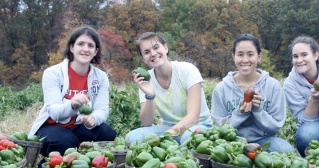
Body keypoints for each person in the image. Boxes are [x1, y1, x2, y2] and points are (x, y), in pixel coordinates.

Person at [29, 25, 116, 157]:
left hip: (77, 126)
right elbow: (54, 113)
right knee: (66, 141)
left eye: (90, 46)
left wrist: (94, 118)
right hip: (51, 126)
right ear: (72, 47)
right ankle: (48, 162)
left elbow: (102, 110)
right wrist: (72, 104)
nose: (85, 49)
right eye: (80, 44)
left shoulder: (101, 77)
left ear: (96, 51)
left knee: (107, 133)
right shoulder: (53, 73)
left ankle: (87, 160)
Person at [211, 33, 294, 153]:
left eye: (250, 54)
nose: (245, 60)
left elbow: (276, 126)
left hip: (264, 139)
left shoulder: (273, 86)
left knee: (286, 150)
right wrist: (240, 113)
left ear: (259, 56)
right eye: (240, 54)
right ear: (233, 56)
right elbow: (219, 127)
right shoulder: (221, 89)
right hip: (231, 141)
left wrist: (258, 110)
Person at [125, 32, 212, 144]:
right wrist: (149, 95)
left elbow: (193, 117)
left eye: (156, 47)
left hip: (198, 126)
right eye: (146, 52)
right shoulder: (146, 80)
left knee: (188, 137)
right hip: (168, 127)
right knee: (132, 137)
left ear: (165, 48)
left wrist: (166, 136)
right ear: (144, 59)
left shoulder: (187, 70)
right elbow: (147, 122)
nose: (153, 53)